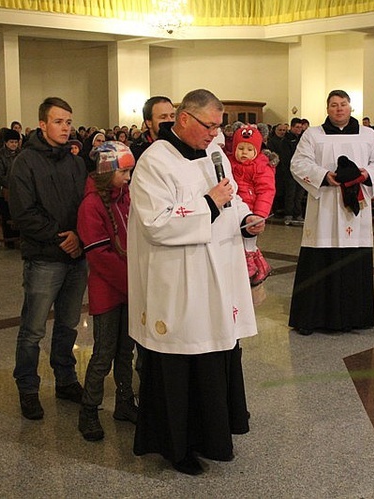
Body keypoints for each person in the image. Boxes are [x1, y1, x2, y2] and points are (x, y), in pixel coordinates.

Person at [128, 88, 264, 475]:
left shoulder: (216, 153)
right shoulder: (154, 162)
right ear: (183, 119)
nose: (214, 134)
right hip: (179, 280)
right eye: (209, 125)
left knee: (214, 357)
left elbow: (232, 198)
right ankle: (177, 446)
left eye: (218, 126)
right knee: (182, 363)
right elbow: (157, 224)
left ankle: (211, 436)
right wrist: (209, 202)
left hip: (216, 276)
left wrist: (244, 219)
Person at [9, 97, 87, 420]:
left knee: (68, 323)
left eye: (69, 122)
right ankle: (28, 387)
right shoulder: (25, 162)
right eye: (58, 122)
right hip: (45, 257)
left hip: (76, 255)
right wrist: (62, 237)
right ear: (42, 124)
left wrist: (80, 236)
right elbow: (23, 214)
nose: (65, 128)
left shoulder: (76, 161)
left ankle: (65, 378)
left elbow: (87, 204)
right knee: (33, 328)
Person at [288, 89, 374, 336]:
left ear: (350, 107)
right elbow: (298, 163)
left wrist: (365, 174)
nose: (339, 109)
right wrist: (324, 176)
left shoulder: (367, 135)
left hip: (354, 208)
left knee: (352, 258)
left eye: (343, 104)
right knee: (319, 258)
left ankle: (354, 318)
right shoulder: (313, 134)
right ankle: (311, 318)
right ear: (327, 109)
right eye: (333, 105)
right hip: (323, 206)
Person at [76, 141, 138, 442]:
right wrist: (133, 284)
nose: (128, 177)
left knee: (126, 350)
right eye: (124, 172)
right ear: (106, 171)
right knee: (103, 353)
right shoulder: (91, 205)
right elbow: (99, 256)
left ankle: (125, 402)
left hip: (130, 286)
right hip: (108, 290)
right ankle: (88, 410)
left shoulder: (125, 197)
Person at [226, 124, 275, 286]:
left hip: (252, 211)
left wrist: (260, 214)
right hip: (233, 209)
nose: (244, 153)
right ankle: (252, 264)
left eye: (249, 149)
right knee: (236, 241)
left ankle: (252, 266)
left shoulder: (261, 167)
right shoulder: (229, 163)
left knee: (249, 241)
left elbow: (266, 191)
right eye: (240, 148)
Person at [130, 95, 176, 161]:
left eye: (172, 116)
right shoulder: (137, 150)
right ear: (149, 123)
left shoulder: (181, 145)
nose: (170, 120)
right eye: (163, 117)